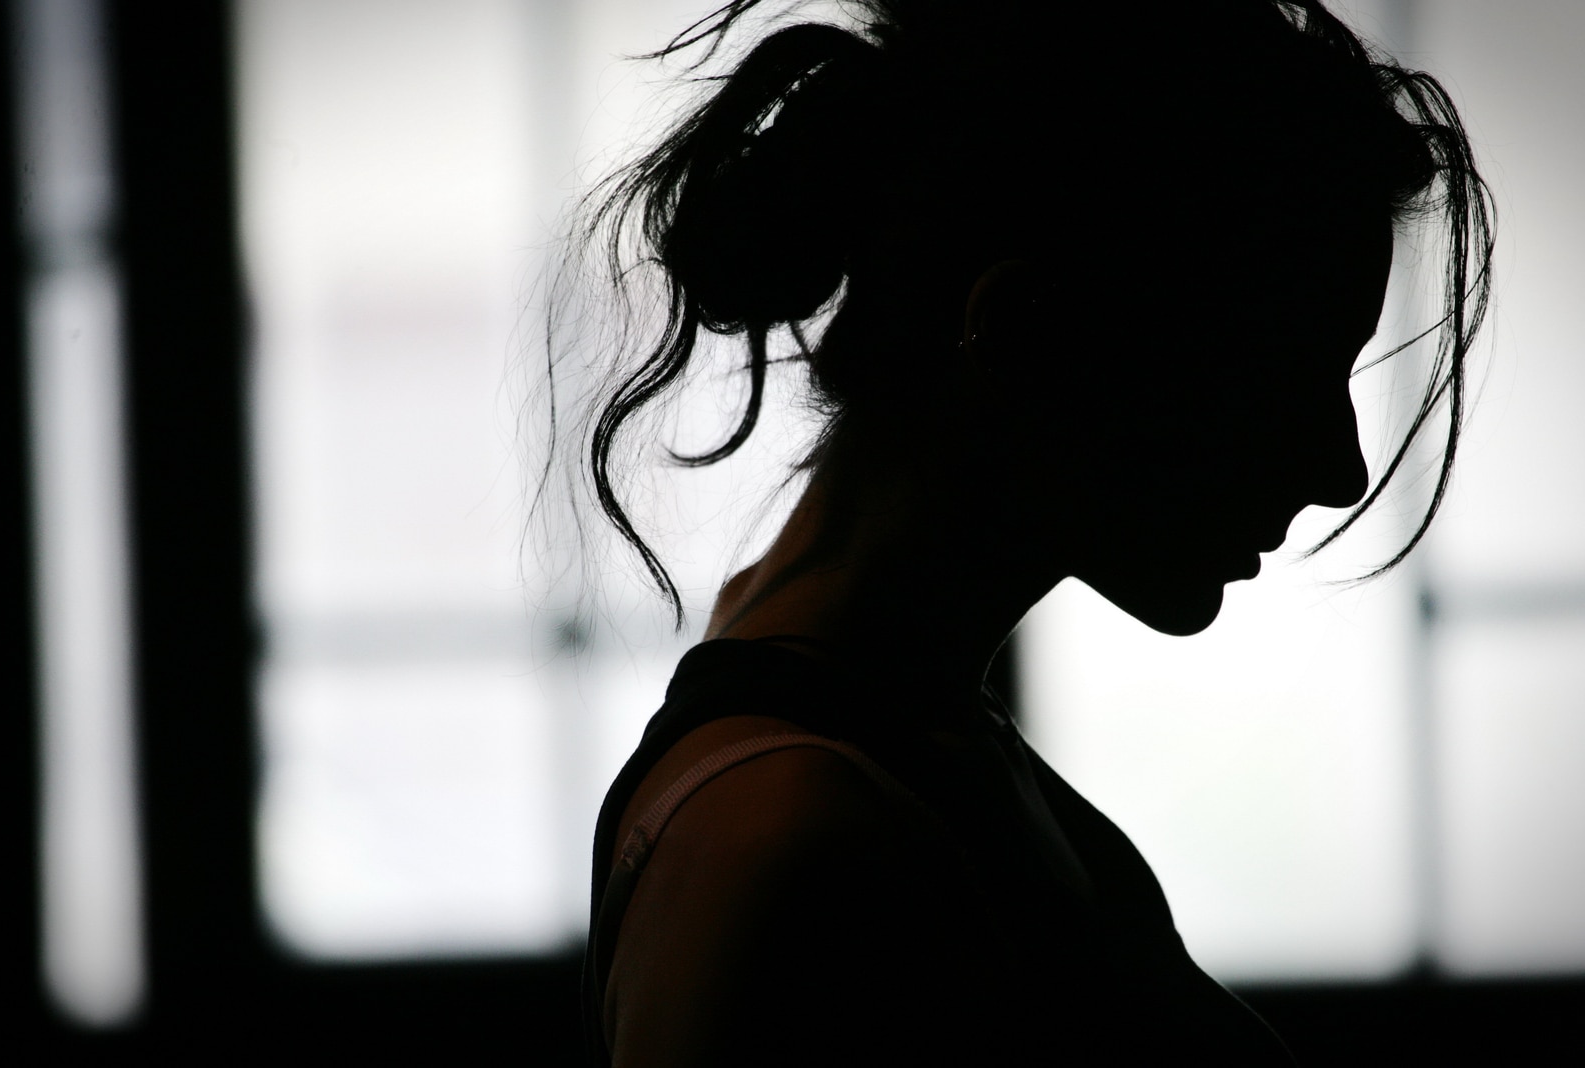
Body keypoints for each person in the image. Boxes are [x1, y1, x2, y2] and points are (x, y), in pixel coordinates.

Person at [547, 1, 1494, 1063]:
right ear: (1024, 334)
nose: (1339, 469)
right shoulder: (787, 843)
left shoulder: (910, 740)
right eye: (1279, 381)